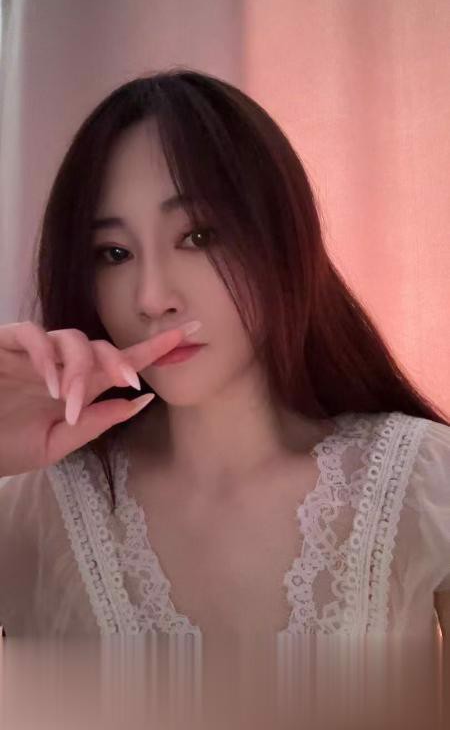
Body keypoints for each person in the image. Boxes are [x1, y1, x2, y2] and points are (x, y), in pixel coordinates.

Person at [0, 68, 449, 651]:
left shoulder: (425, 481)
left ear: (280, 236)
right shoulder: (26, 513)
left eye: (198, 237)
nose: (152, 298)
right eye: (113, 252)